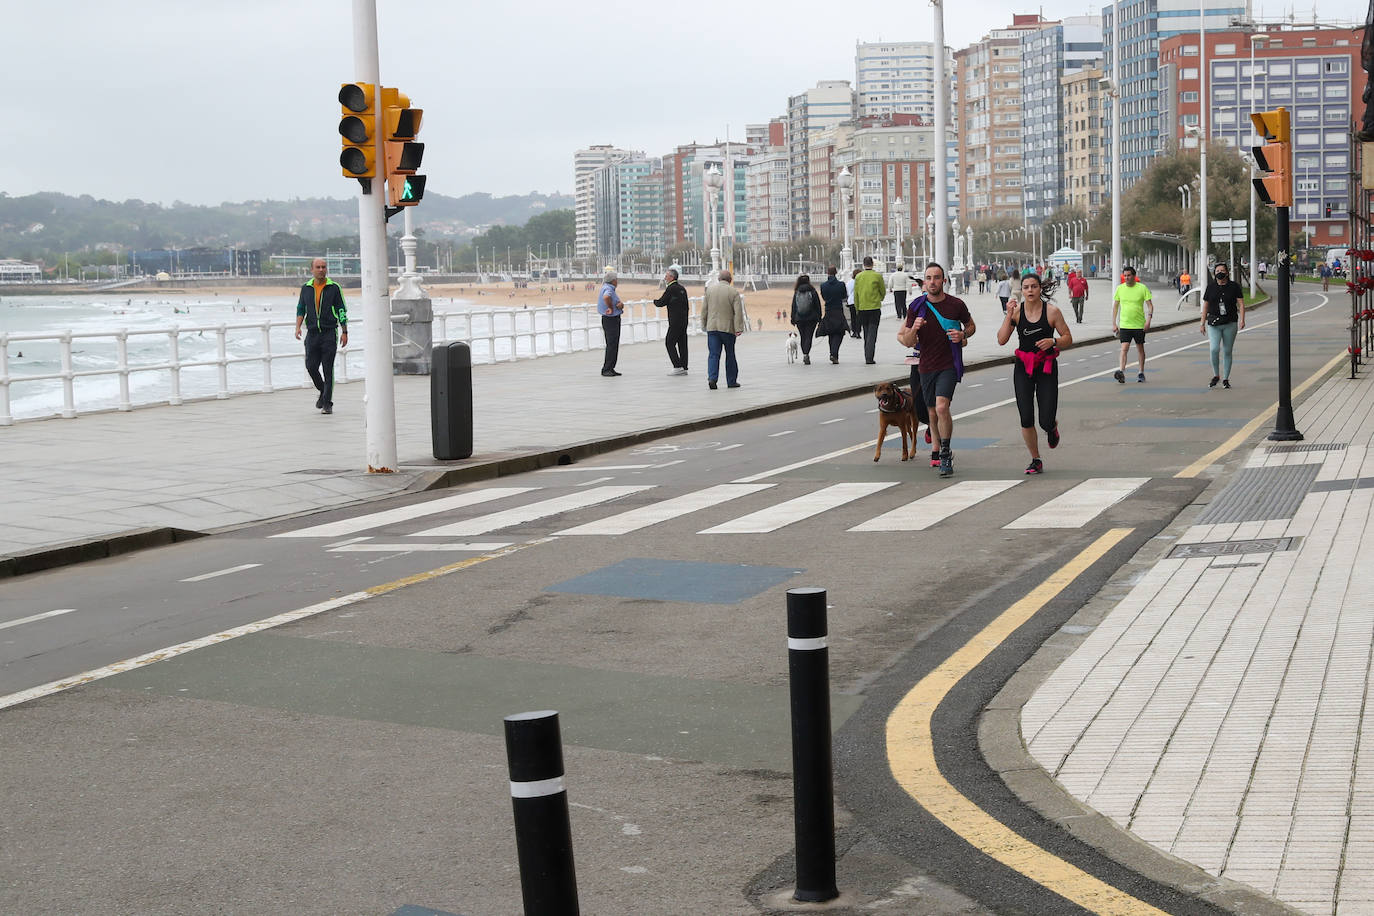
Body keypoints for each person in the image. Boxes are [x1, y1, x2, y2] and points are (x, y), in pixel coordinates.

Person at [899, 262, 975, 477]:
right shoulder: (916, 307)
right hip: (926, 365)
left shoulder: (956, 304)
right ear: (924, 282)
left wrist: (963, 335)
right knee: (932, 412)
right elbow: (906, 341)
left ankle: (944, 452)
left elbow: (971, 326)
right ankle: (939, 446)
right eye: (929, 278)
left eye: (937, 277)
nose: (933, 281)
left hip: (949, 364)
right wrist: (914, 328)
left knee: (942, 408)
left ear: (944, 281)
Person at [997, 273, 1073, 475]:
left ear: (1040, 289)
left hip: (1046, 367)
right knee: (1026, 417)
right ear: (1021, 290)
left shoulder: (1052, 312)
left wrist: (1053, 341)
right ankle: (1035, 459)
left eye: (1033, 286)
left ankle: (1051, 426)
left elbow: (1068, 338)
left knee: (1045, 420)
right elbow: (1001, 340)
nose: (1030, 290)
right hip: (1023, 367)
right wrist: (1008, 314)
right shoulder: (1017, 313)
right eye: (1026, 287)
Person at [293, 257, 348, 415]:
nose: (321, 270)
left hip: (329, 333)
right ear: (312, 270)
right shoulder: (306, 288)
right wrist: (297, 327)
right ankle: (323, 392)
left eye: (323, 267)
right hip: (312, 334)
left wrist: (344, 331)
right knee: (310, 366)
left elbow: (341, 310)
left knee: (327, 369)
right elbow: (300, 308)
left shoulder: (334, 287)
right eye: (318, 267)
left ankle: (327, 403)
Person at [1201, 263, 1245, 389]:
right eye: (1217, 270)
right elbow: (1205, 306)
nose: (1219, 272)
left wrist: (1242, 319)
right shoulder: (1210, 288)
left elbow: (1241, 304)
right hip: (1214, 323)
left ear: (1227, 272)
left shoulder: (1234, 286)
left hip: (1230, 323)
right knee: (1214, 349)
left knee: (1227, 350)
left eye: (1222, 270)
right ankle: (1216, 375)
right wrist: (1202, 323)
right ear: (1214, 273)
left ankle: (1226, 378)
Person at [701, 269, 745, 389]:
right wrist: (739, 328)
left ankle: (712, 378)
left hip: (712, 327)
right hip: (727, 328)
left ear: (719, 279)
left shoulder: (710, 290)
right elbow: (738, 312)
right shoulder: (733, 292)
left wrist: (704, 324)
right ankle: (731, 381)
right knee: (730, 354)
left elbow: (704, 309)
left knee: (713, 354)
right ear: (730, 280)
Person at [1111, 266, 1153, 383]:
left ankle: (1141, 372)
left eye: (1129, 275)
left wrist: (1148, 320)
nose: (1126, 278)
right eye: (1125, 275)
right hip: (1125, 324)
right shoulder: (1120, 289)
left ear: (1134, 276)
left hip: (1139, 324)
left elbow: (1150, 305)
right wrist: (1114, 323)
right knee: (1124, 348)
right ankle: (1121, 372)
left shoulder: (1142, 288)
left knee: (1140, 348)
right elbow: (1115, 307)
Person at [653, 267, 690, 375]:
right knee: (682, 344)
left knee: (669, 342)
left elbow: (662, 302)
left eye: (666, 276)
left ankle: (677, 366)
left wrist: (654, 301)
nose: (665, 278)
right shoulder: (682, 288)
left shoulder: (671, 288)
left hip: (675, 321)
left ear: (672, 277)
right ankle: (684, 366)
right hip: (683, 320)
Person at [853, 256, 887, 364]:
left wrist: (857, 308)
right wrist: (879, 299)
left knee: (866, 333)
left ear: (863, 264)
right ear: (872, 264)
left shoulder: (858, 277)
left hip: (862, 308)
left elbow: (856, 295)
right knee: (872, 333)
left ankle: (867, 355)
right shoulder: (877, 276)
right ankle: (869, 357)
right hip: (874, 308)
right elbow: (883, 291)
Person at [790, 273, 823, 365]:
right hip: (811, 318)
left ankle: (804, 353)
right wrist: (819, 318)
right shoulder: (812, 291)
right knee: (809, 336)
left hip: (799, 318)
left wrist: (793, 318)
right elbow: (818, 305)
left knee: (803, 337)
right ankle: (806, 354)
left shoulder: (797, 292)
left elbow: (794, 306)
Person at [818, 266, 849, 364]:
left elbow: (824, 297)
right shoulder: (841, 285)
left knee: (831, 333)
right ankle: (834, 354)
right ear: (836, 273)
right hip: (838, 310)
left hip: (829, 311)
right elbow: (844, 296)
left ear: (828, 273)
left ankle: (833, 353)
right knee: (839, 332)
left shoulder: (823, 285)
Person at [598, 270, 625, 377]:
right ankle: (607, 369)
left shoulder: (606, 287)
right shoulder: (608, 289)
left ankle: (610, 367)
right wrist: (610, 307)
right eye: (616, 280)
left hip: (609, 319)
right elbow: (606, 297)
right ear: (613, 281)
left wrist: (618, 304)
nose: (617, 282)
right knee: (612, 344)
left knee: (613, 344)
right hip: (611, 320)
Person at [846, 268, 860, 339]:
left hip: (851, 301)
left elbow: (848, 292)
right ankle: (858, 332)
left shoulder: (849, 282)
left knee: (853, 317)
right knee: (858, 317)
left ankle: (854, 331)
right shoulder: (860, 281)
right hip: (859, 301)